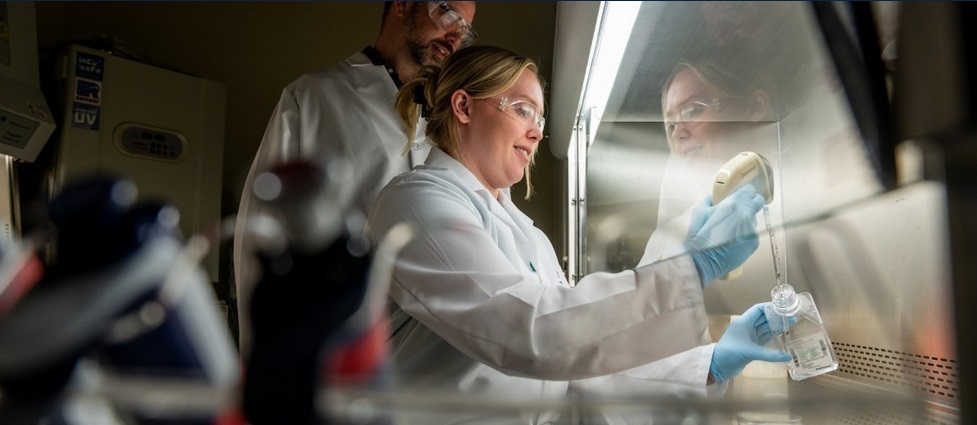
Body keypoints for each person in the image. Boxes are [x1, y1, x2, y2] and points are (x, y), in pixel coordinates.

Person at [367, 45, 791, 424]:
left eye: (540, 118)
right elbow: (527, 332)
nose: (536, 131)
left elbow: (576, 361)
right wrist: (694, 264)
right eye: (523, 110)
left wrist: (705, 367)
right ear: (463, 106)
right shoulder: (416, 204)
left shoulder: (528, 236)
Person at [233, 1, 477, 357]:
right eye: (447, 13)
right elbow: (262, 235)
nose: (455, 35)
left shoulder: (460, 118)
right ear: (402, 5)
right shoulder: (314, 99)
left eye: (466, 29)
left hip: (437, 358)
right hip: (339, 347)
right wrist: (265, 366)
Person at [639, 46, 779, 268]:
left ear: (755, 107)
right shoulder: (669, 241)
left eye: (692, 111)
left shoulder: (810, 192)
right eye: (671, 124)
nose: (677, 134)